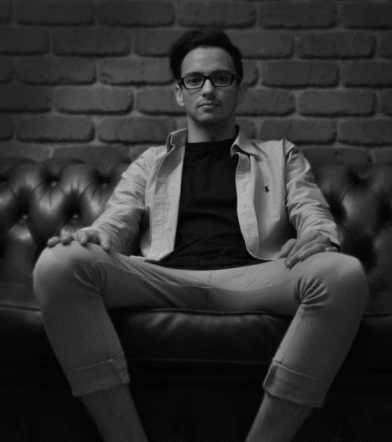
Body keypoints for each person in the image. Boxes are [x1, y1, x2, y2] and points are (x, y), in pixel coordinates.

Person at [33, 29, 369, 442]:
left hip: (255, 278)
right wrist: (93, 237)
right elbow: (115, 222)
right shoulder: (150, 163)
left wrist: (319, 238)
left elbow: (312, 213)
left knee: (344, 274)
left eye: (221, 78)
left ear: (239, 88)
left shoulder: (280, 155)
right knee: (57, 263)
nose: (208, 89)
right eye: (194, 80)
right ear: (179, 93)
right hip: (164, 277)